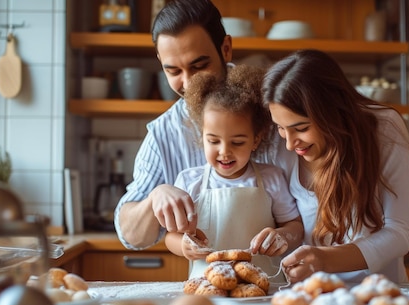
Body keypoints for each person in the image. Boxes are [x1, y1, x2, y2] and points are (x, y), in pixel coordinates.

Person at [114, 0, 286, 250]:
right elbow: (130, 236)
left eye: (199, 66)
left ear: (225, 48)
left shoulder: (275, 113)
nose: (188, 83)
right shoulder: (164, 133)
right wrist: (155, 197)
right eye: (173, 71)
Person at [262, 49, 409, 284]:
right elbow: (293, 222)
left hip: (378, 294)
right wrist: (282, 235)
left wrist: (324, 259)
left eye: (301, 128)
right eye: (281, 128)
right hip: (311, 296)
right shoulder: (279, 144)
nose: (290, 143)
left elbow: (398, 233)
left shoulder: (383, 128)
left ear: (332, 113)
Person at [164, 64, 304, 279]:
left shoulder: (271, 178)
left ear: (255, 140)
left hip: (263, 285)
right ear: (202, 137)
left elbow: (295, 227)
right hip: (207, 285)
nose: (224, 152)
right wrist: (183, 246)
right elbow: (170, 236)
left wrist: (282, 236)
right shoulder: (190, 181)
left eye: (237, 142)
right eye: (213, 141)